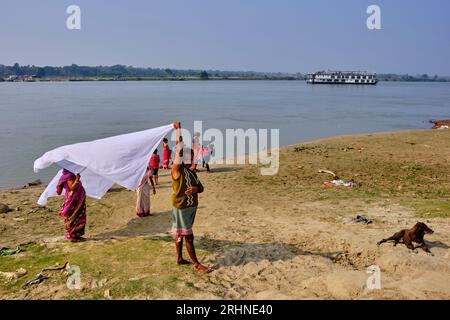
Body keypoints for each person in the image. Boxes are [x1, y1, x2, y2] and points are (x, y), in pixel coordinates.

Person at [171, 122, 211, 273]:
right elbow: (179, 149)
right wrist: (178, 130)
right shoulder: (177, 171)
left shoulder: (192, 172)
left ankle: (179, 258)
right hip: (182, 208)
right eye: (191, 157)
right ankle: (196, 264)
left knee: (180, 233)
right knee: (188, 236)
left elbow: (201, 188)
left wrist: (196, 188)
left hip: (190, 208)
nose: (194, 160)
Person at [56, 169, 87, 242]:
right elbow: (72, 188)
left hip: (75, 201)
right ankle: (73, 236)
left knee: (78, 217)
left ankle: (77, 235)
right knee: (74, 217)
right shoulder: (70, 176)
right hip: (73, 202)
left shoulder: (65, 176)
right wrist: (77, 179)